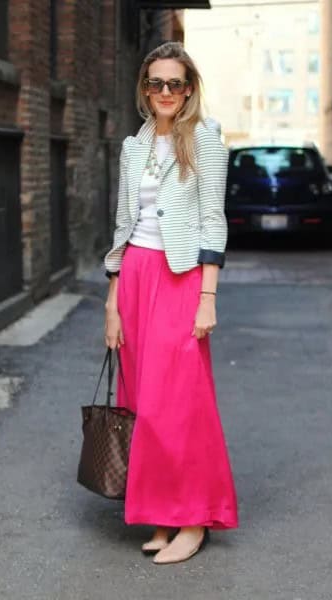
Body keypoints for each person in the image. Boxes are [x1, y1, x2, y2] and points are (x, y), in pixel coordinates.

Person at [103, 41, 238, 565]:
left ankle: (195, 516)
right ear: (145, 88)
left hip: (181, 278)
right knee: (140, 398)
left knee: (181, 401)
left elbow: (213, 222)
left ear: (188, 90)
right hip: (135, 274)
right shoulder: (133, 147)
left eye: (175, 84)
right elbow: (123, 225)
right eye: (156, 83)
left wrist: (208, 297)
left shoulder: (206, 140)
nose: (165, 92)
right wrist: (112, 300)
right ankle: (160, 512)